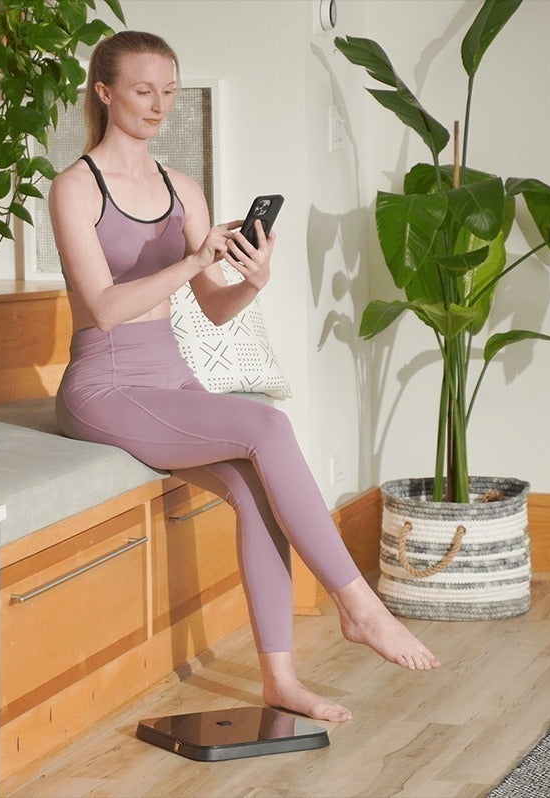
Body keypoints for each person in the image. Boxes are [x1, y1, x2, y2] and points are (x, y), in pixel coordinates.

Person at [49, 30, 439, 724]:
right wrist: (195, 260)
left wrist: (251, 281)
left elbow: (211, 307)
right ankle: (359, 604)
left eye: (169, 91)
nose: (159, 105)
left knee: (255, 489)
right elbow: (104, 308)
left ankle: (280, 680)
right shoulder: (74, 189)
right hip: (105, 386)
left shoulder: (180, 188)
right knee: (267, 425)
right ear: (104, 92)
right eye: (143, 91)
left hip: (170, 378)